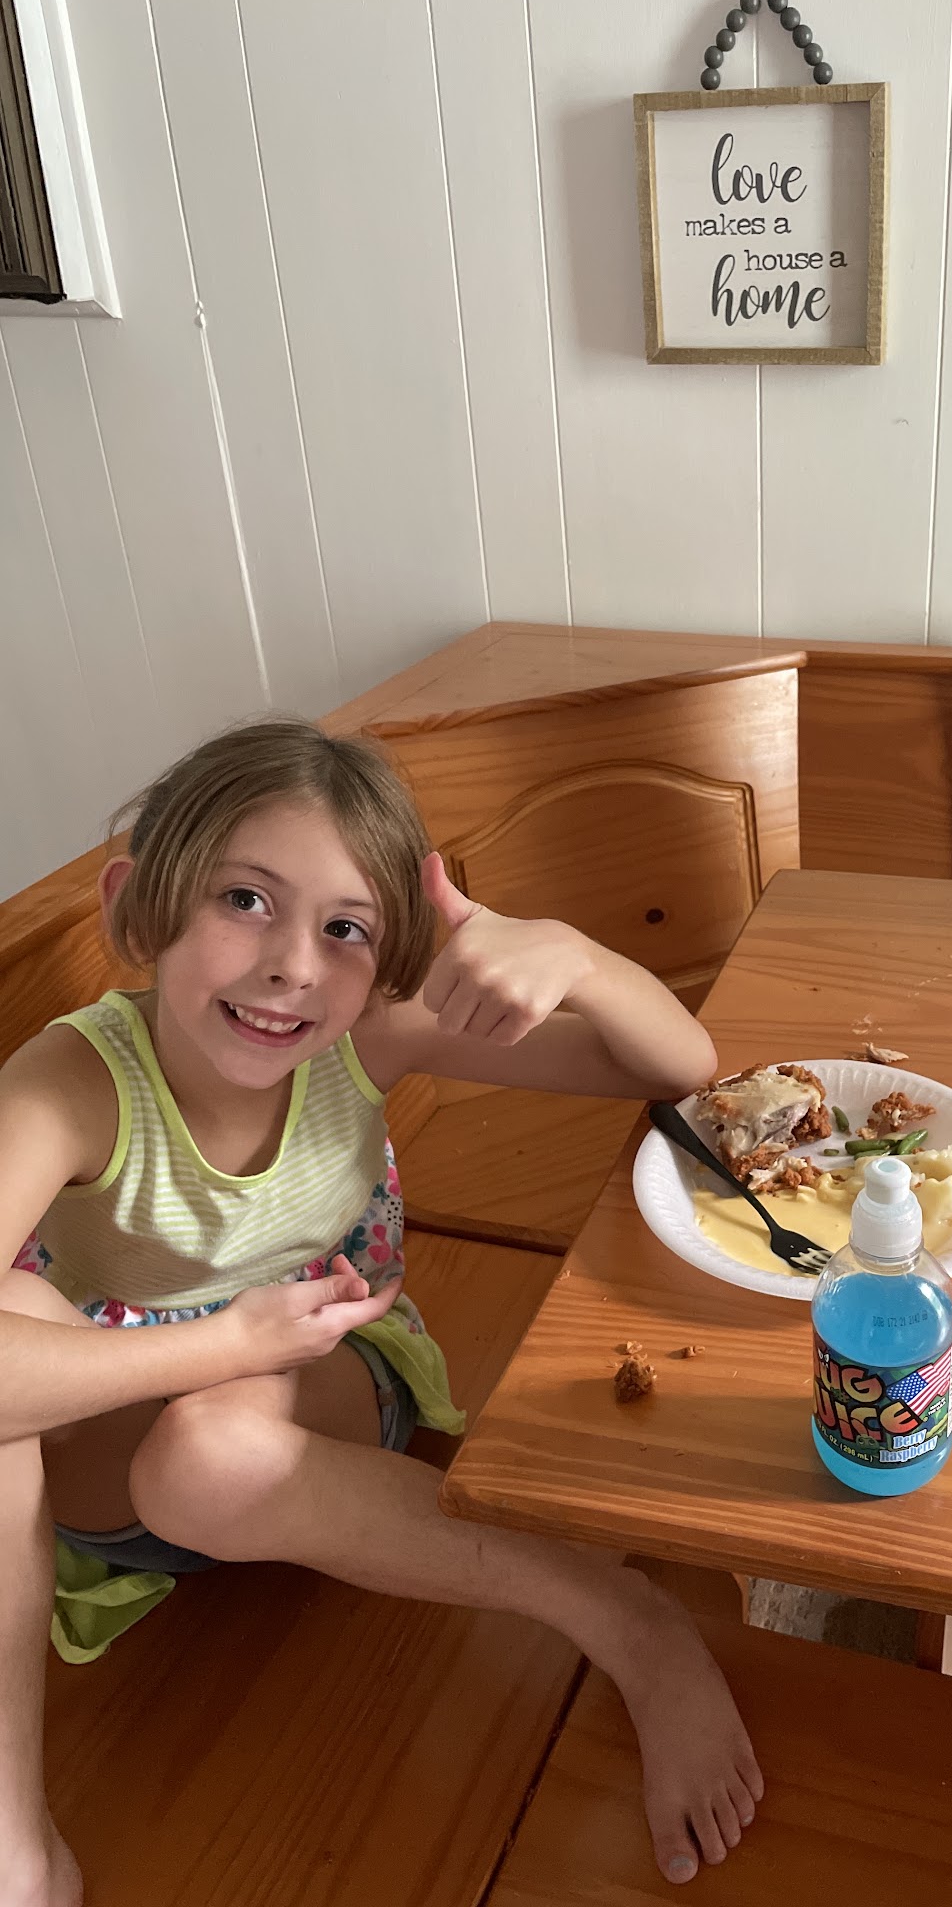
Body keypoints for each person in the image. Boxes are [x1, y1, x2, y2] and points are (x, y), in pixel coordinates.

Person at [0, 719, 761, 1907]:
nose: (293, 966)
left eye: (345, 929)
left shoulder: (367, 1033)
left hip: (318, 1397)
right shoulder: (71, 1081)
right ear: (136, 908)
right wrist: (222, 1344)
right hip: (114, 1468)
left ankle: (625, 1618)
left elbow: (679, 1069)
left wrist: (574, 956)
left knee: (203, 1456)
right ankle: (15, 1837)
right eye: (245, 900)